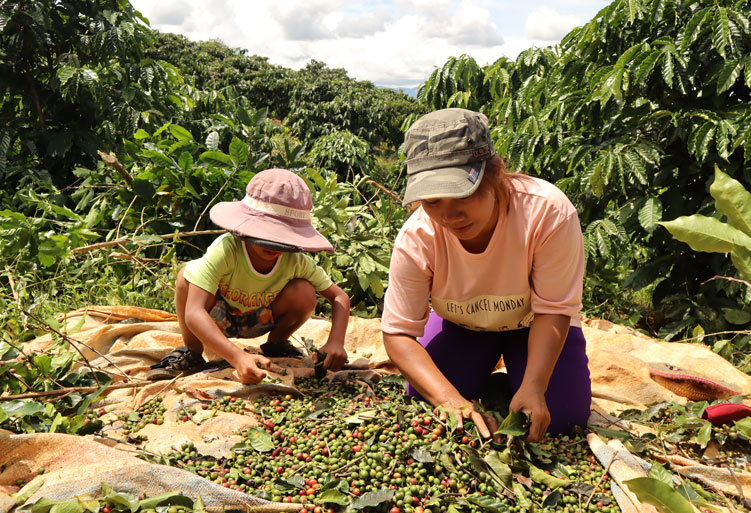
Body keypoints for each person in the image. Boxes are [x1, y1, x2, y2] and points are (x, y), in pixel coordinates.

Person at [381, 108, 591, 442]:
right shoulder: (417, 237)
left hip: (534, 325)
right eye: (433, 201)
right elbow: (398, 333)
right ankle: (492, 383)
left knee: (562, 419)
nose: (450, 215)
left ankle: (516, 380)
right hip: (465, 328)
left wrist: (535, 387)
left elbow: (554, 309)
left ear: (493, 173)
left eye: (463, 193)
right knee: (424, 401)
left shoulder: (547, 213)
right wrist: (448, 398)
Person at [148, 168, 350, 384]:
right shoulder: (227, 250)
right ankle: (192, 353)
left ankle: (276, 344)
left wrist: (336, 341)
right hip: (215, 319)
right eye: (267, 236)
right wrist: (237, 357)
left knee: (304, 291)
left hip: (260, 318)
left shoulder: (295, 261)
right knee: (185, 278)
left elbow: (340, 297)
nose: (274, 246)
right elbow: (194, 312)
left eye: (283, 239)